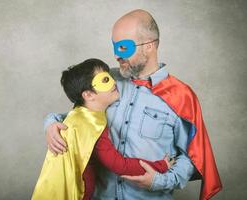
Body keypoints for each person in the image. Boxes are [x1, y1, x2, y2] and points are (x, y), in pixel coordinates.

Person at [44, 9, 222, 200]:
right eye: (114, 47)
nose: (116, 55)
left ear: (149, 46)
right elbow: (82, 118)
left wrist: (159, 181)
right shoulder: (106, 81)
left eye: (123, 48)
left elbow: (192, 157)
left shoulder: (181, 96)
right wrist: (50, 124)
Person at [32, 58, 174, 200]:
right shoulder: (92, 125)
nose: (114, 82)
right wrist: (161, 165)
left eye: (110, 77)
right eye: (105, 80)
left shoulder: (79, 114)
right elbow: (119, 165)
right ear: (88, 95)